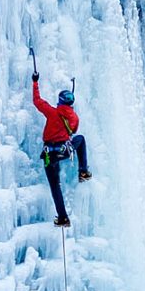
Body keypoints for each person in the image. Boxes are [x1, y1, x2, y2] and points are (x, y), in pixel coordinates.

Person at [33, 72, 90, 227]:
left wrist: (35, 82)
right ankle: (83, 171)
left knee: (55, 186)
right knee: (81, 140)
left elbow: (37, 101)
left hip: (48, 155)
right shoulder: (74, 117)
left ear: (59, 101)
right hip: (64, 151)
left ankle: (63, 217)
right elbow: (74, 131)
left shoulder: (52, 113)